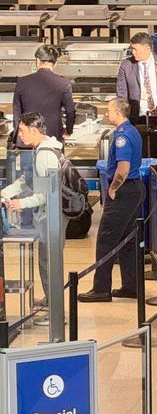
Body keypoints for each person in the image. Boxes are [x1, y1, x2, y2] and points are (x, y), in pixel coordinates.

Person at [78, 99, 146, 302]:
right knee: (128, 239)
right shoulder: (133, 130)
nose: (106, 115)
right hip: (135, 189)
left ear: (117, 113)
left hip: (124, 191)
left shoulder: (122, 136)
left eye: (108, 111)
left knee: (106, 240)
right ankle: (131, 285)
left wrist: (113, 189)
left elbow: (123, 168)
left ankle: (101, 289)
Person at [1, 112, 67, 306]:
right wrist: (5, 192)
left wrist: (22, 203)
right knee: (46, 262)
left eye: (22, 131)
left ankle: (55, 310)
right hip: (49, 215)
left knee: (49, 263)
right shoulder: (42, 149)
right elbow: (26, 180)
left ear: (34, 130)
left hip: (52, 217)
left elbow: (47, 194)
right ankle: (51, 302)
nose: (20, 136)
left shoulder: (45, 155)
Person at [13, 45, 75, 142]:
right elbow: (70, 111)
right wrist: (69, 130)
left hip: (27, 138)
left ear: (37, 61)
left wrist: (16, 137)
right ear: (55, 63)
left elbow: (17, 114)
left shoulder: (22, 82)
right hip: (53, 138)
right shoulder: (64, 83)